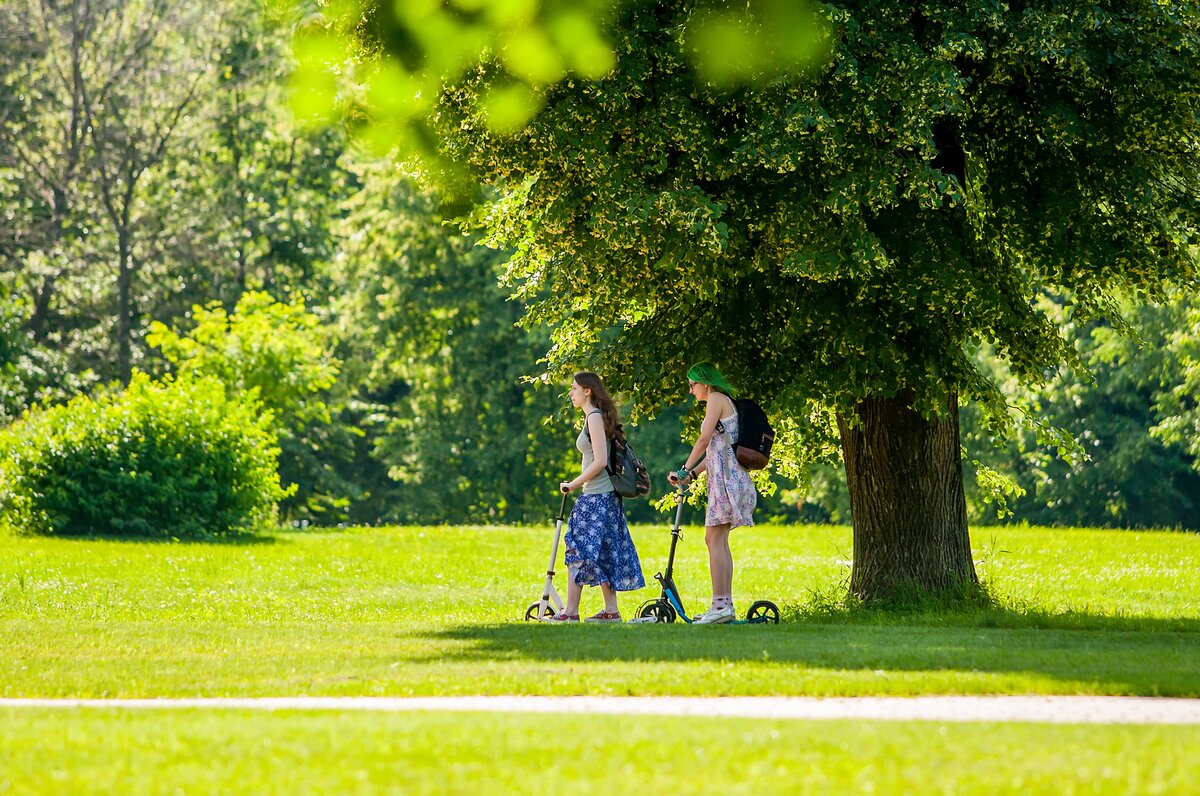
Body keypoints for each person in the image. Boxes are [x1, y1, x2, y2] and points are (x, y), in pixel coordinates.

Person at [549, 372, 645, 622]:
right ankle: (611, 611)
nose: (571, 393)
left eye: (574, 388)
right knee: (602, 549)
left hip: (597, 496)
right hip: (604, 496)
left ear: (588, 391)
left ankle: (570, 612)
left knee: (577, 548)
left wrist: (573, 484)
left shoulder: (594, 417)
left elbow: (601, 461)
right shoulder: (594, 417)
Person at [667, 362, 757, 624]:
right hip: (728, 480)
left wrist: (683, 470)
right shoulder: (722, 401)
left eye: (693, 384)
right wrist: (693, 474)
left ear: (705, 383)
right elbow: (716, 451)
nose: (690, 390)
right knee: (717, 540)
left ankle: (720, 606)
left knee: (713, 539)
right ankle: (723, 605)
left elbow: (704, 439)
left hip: (728, 483)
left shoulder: (716, 398)